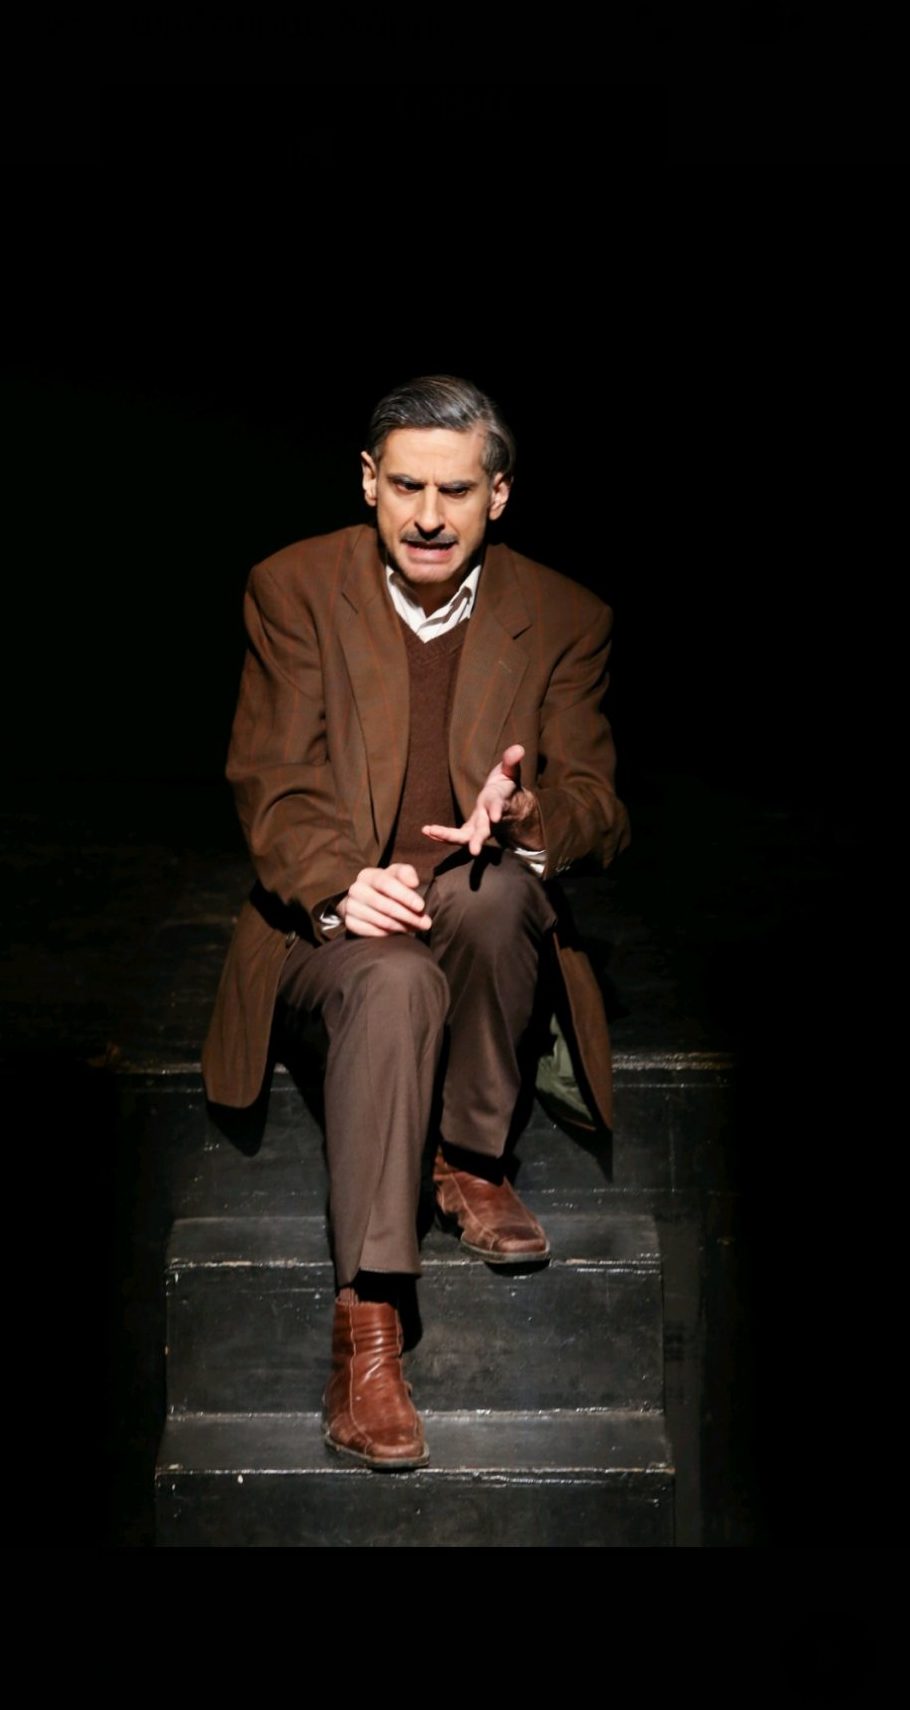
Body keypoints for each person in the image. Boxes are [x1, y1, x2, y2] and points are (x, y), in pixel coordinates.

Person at [202, 375, 630, 1470]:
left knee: (497, 894)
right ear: (368, 483)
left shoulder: (564, 615)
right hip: (331, 936)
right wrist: (341, 884)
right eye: (404, 487)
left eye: (455, 491)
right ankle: (370, 1328)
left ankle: (469, 1158)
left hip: (465, 910)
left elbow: (600, 805)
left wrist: (528, 816)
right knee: (393, 978)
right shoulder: (295, 589)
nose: (428, 516)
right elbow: (272, 780)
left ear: (499, 494)